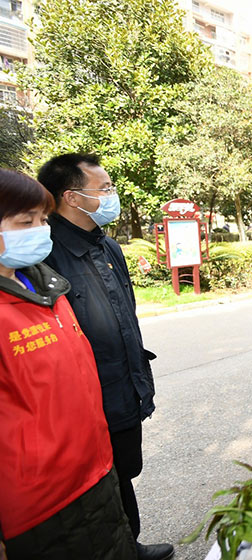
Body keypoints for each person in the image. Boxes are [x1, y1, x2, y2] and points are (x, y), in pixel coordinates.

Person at [39, 154, 172, 560]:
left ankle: (128, 545)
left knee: (123, 474)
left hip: (122, 388)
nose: (112, 197)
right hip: (82, 402)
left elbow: (125, 318)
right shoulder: (45, 255)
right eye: (105, 190)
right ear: (72, 197)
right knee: (95, 486)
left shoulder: (107, 245)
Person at [0, 169, 136, 559]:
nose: (41, 231)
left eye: (42, 220)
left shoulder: (49, 291)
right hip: (37, 509)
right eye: (25, 222)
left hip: (94, 476)